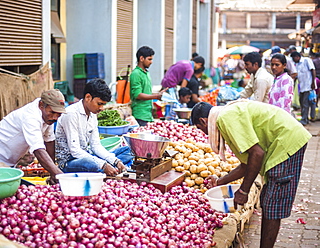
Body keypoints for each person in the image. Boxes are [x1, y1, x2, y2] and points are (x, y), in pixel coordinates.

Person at [190, 100, 311, 248]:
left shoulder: (226, 118)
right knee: (268, 201)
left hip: (287, 142)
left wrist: (243, 190)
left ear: (203, 121)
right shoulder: (225, 116)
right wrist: (220, 181)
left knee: (272, 204)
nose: (203, 132)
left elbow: (257, 154)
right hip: (283, 141)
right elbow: (247, 164)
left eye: (200, 127)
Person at [0, 89, 66, 184]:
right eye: (52, 112)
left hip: (7, 160)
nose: (55, 118)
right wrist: (58, 174)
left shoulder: (48, 118)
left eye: (59, 114)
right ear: (41, 105)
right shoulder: (31, 117)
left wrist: (52, 172)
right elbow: (38, 149)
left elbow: (49, 141)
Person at [55, 79, 128, 177]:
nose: (102, 108)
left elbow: (95, 146)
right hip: (70, 162)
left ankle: (109, 168)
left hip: (87, 155)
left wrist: (116, 161)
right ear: (88, 97)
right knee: (91, 164)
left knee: (128, 151)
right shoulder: (71, 114)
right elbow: (75, 151)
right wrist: (103, 164)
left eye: (103, 104)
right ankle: (103, 170)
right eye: (99, 104)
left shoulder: (93, 115)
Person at [130, 46, 168, 126]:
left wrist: (158, 94)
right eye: (149, 59)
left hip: (148, 114)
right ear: (141, 58)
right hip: (140, 115)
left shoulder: (146, 73)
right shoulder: (136, 74)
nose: (151, 62)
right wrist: (156, 96)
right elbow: (138, 95)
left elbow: (147, 92)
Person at [291, 51, 316, 125]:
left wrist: (313, 83)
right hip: (301, 87)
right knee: (302, 103)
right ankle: (305, 118)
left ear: (297, 57)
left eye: (293, 58)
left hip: (308, 86)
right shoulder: (297, 64)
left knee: (306, 104)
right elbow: (297, 75)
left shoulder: (306, 60)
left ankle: (304, 119)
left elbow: (313, 70)